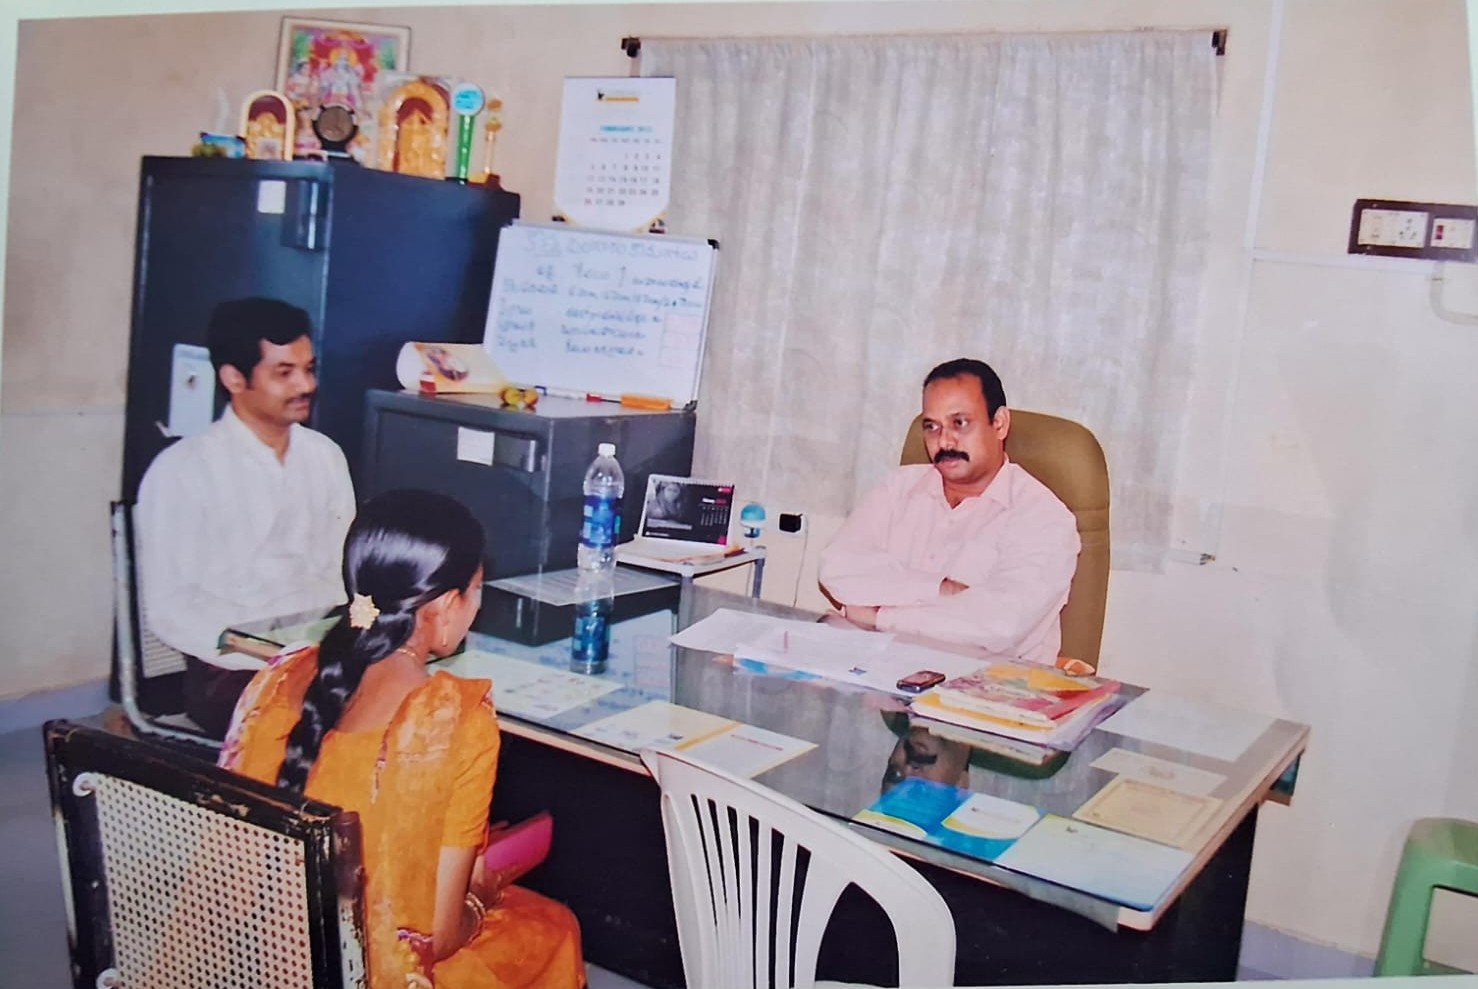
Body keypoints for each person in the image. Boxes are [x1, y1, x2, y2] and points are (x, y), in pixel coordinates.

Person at [219, 489, 585, 989]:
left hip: (255, 946)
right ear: (441, 605)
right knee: (555, 929)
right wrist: (482, 893)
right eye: (476, 590)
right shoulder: (453, 719)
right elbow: (436, 934)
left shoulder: (277, 676)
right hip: (373, 971)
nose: (477, 607)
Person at [135, 298, 356, 738]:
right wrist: (262, 655)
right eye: (284, 372)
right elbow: (170, 609)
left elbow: (345, 572)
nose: (305, 384)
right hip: (229, 672)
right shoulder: (183, 470)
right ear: (234, 378)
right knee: (340, 730)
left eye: (309, 369)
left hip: (318, 656)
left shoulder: (324, 457)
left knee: (424, 707)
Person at [817, 358, 1079, 664]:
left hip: (984, 695)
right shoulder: (899, 486)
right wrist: (939, 589)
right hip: (877, 674)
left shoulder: (1043, 517)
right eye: (932, 426)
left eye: (960, 423)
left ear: (1000, 424)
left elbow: (998, 625)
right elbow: (836, 568)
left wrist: (879, 616)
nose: (944, 440)